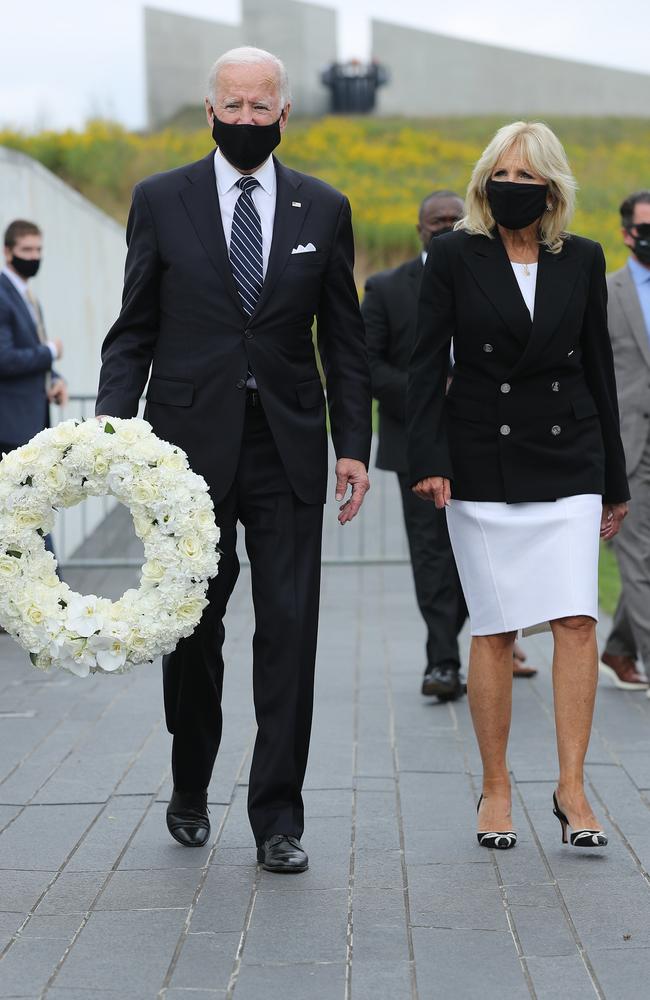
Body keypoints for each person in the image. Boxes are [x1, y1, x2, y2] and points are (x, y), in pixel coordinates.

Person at [95, 47, 371, 873]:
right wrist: (108, 437)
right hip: (185, 453)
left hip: (287, 449)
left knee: (290, 633)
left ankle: (278, 817)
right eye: (233, 106)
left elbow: (345, 342)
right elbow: (134, 328)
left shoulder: (324, 208)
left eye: (261, 108)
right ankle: (190, 779)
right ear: (208, 109)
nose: (246, 120)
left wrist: (352, 445)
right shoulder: (160, 200)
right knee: (194, 630)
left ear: (285, 114)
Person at [408, 121, 628, 851]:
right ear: (483, 183)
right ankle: (496, 786)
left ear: (552, 189)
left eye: (528, 178)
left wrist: (614, 481)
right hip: (481, 461)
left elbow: (599, 369)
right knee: (497, 628)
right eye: (502, 175)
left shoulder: (583, 258)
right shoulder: (452, 255)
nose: (513, 188)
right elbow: (421, 364)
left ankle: (571, 787)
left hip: (568, 459)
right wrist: (428, 458)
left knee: (576, 620)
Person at [362, 191, 536, 702]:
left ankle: (489, 642)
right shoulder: (387, 288)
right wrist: (432, 389)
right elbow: (368, 365)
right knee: (433, 553)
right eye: (435, 222)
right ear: (419, 230)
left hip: (488, 441)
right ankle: (442, 661)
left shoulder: (496, 277)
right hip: (415, 443)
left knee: (483, 549)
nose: (445, 228)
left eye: (454, 221)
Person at [600, 191, 650, 691]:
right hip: (629, 442)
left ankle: (618, 647)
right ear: (627, 233)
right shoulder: (606, 290)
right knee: (636, 554)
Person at [0, 219, 67, 572]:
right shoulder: (1, 292)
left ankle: (45, 592)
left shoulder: (26, 294)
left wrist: (52, 379)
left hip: (29, 419)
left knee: (28, 513)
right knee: (28, 512)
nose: (34, 257)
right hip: (9, 427)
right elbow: (5, 357)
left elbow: (29, 351)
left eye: (38, 250)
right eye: (26, 250)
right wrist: (50, 353)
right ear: (8, 251)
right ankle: (51, 591)